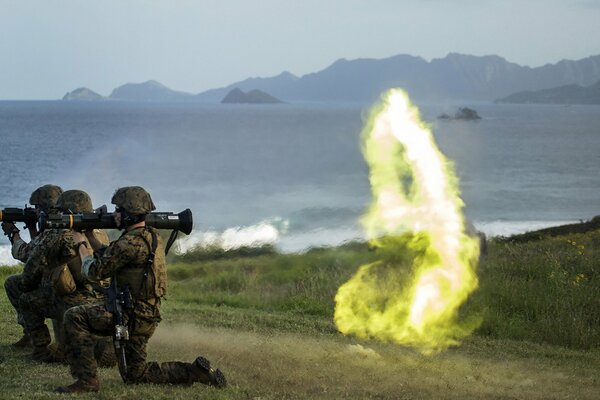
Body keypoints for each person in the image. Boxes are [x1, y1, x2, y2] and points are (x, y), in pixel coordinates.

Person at [57, 186, 226, 393]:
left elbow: (94, 271)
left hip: (129, 316)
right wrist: (92, 236)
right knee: (134, 375)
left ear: (129, 214)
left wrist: (81, 243)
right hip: (146, 315)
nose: (114, 215)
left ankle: (87, 381)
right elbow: (113, 257)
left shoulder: (130, 242)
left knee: (75, 316)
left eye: (118, 210)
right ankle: (194, 372)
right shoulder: (150, 236)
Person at [18, 189, 114, 364]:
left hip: (75, 302)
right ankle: (96, 346)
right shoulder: (99, 232)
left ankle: (42, 351)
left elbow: (29, 274)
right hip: (105, 299)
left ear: (65, 211)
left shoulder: (58, 234)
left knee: (27, 299)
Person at [2, 184, 63, 348]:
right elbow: (40, 248)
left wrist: (13, 234)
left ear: (44, 209)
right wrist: (32, 227)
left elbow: (27, 254)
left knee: (16, 286)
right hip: (72, 284)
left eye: (37, 208)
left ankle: (34, 337)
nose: (35, 211)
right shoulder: (70, 225)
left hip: (59, 291)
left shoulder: (52, 232)